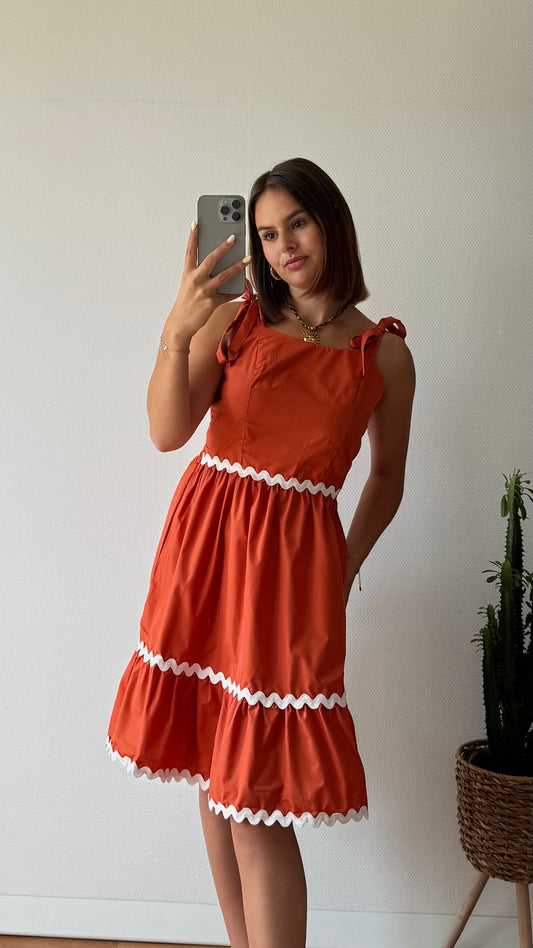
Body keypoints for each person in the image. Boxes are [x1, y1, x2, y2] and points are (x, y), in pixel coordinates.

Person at [107, 157, 415, 948]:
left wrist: (344, 566)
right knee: (215, 773)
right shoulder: (235, 319)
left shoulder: (380, 354)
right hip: (205, 554)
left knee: (256, 800)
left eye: (297, 224)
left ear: (331, 221)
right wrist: (177, 330)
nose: (283, 246)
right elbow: (168, 432)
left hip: (290, 579)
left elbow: (385, 478)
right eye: (267, 233)